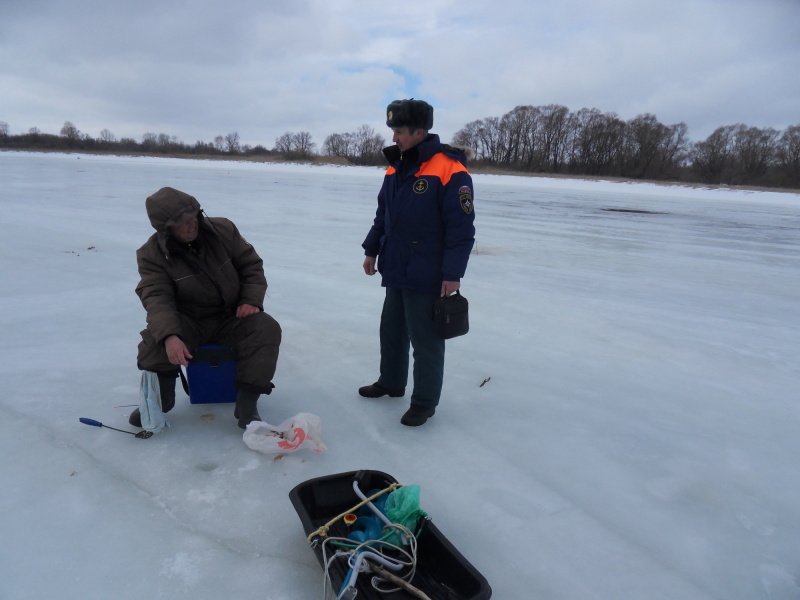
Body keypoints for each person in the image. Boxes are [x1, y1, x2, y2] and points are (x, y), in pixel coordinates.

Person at [360, 99, 476, 426]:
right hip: (396, 264)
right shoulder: (396, 166)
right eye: (393, 131)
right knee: (392, 330)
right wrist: (372, 249)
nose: (394, 137)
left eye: (399, 131)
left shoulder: (450, 168)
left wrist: (453, 273)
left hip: (429, 271)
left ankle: (424, 401)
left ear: (420, 132)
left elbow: (462, 228)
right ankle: (391, 382)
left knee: (426, 341)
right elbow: (384, 215)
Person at [132, 187, 281, 430]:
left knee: (266, 328)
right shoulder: (151, 255)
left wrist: (251, 299)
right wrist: (170, 335)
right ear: (165, 228)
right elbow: (157, 297)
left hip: (231, 315)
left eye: (194, 217)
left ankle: (247, 405)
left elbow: (251, 266)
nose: (192, 225)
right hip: (189, 319)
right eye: (183, 223)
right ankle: (160, 402)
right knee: (154, 342)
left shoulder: (223, 230)